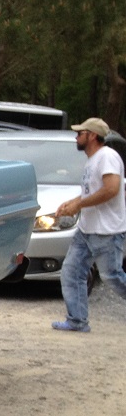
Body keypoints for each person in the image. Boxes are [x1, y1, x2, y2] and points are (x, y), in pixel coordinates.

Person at [51, 117, 126, 332]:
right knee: (71, 272)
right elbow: (91, 191)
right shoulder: (93, 160)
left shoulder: (107, 157)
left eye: (80, 133)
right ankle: (77, 320)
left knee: (112, 277)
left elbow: (111, 189)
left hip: (107, 231)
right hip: (86, 230)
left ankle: (77, 320)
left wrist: (79, 204)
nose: (76, 137)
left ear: (92, 135)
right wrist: (72, 203)